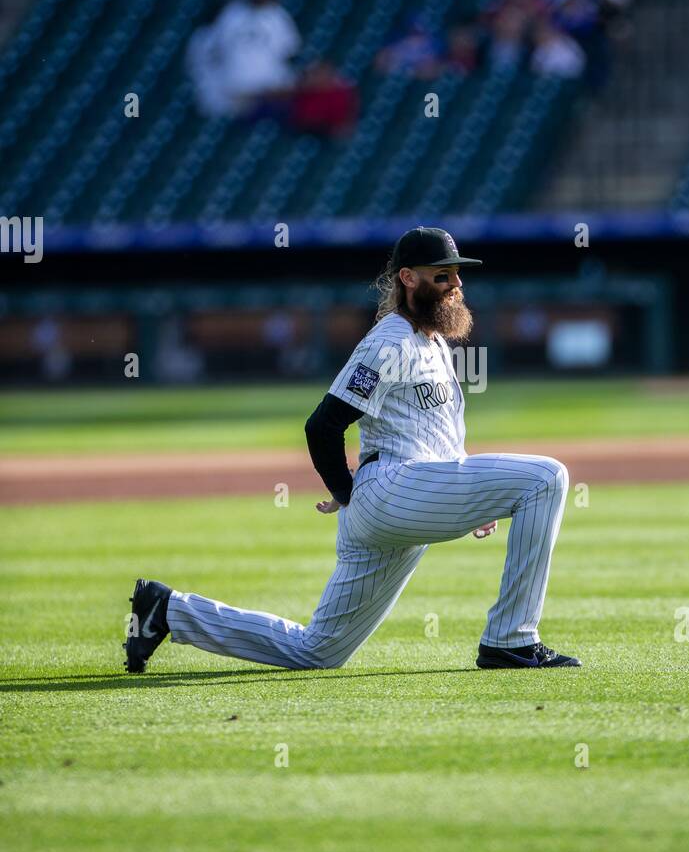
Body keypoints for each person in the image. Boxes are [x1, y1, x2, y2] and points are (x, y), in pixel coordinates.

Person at [122, 228, 577, 674]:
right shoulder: (389, 342)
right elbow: (323, 426)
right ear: (407, 279)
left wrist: (473, 499)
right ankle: (510, 641)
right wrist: (348, 491)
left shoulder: (431, 342)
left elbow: (436, 434)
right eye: (442, 275)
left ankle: (168, 610)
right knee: (546, 477)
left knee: (318, 651)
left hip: (404, 498)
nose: (456, 283)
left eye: (457, 274)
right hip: (392, 490)